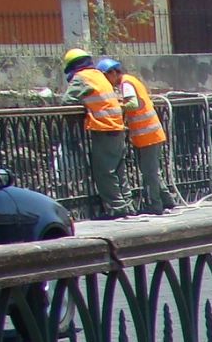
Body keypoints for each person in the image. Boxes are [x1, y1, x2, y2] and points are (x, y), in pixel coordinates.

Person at [62, 48, 133, 219]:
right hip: (118, 126)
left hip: (104, 128)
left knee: (105, 172)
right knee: (119, 169)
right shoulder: (99, 75)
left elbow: (67, 100)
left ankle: (117, 209)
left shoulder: (82, 78)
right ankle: (129, 206)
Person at [99, 58, 171, 215]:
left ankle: (155, 206)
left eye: (106, 76)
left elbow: (133, 104)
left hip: (148, 134)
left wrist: (116, 105)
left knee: (149, 172)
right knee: (153, 170)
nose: (106, 81)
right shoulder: (130, 81)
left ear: (113, 72)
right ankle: (168, 201)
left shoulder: (126, 83)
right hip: (149, 134)